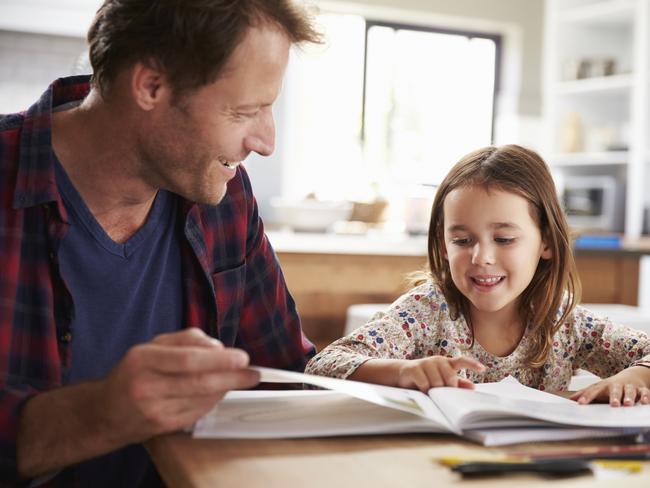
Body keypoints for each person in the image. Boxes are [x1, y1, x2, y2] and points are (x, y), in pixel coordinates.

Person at [0, 0, 321, 485]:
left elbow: (283, 373)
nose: (265, 140)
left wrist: (360, 378)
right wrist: (101, 414)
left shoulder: (225, 196)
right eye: (246, 110)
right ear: (151, 85)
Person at [306, 144, 650, 406]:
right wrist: (403, 372)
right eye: (461, 240)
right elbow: (321, 367)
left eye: (504, 239)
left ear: (545, 241)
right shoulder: (425, 312)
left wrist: (637, 374)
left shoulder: (564, 323)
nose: (481, 257)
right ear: (443, 245)